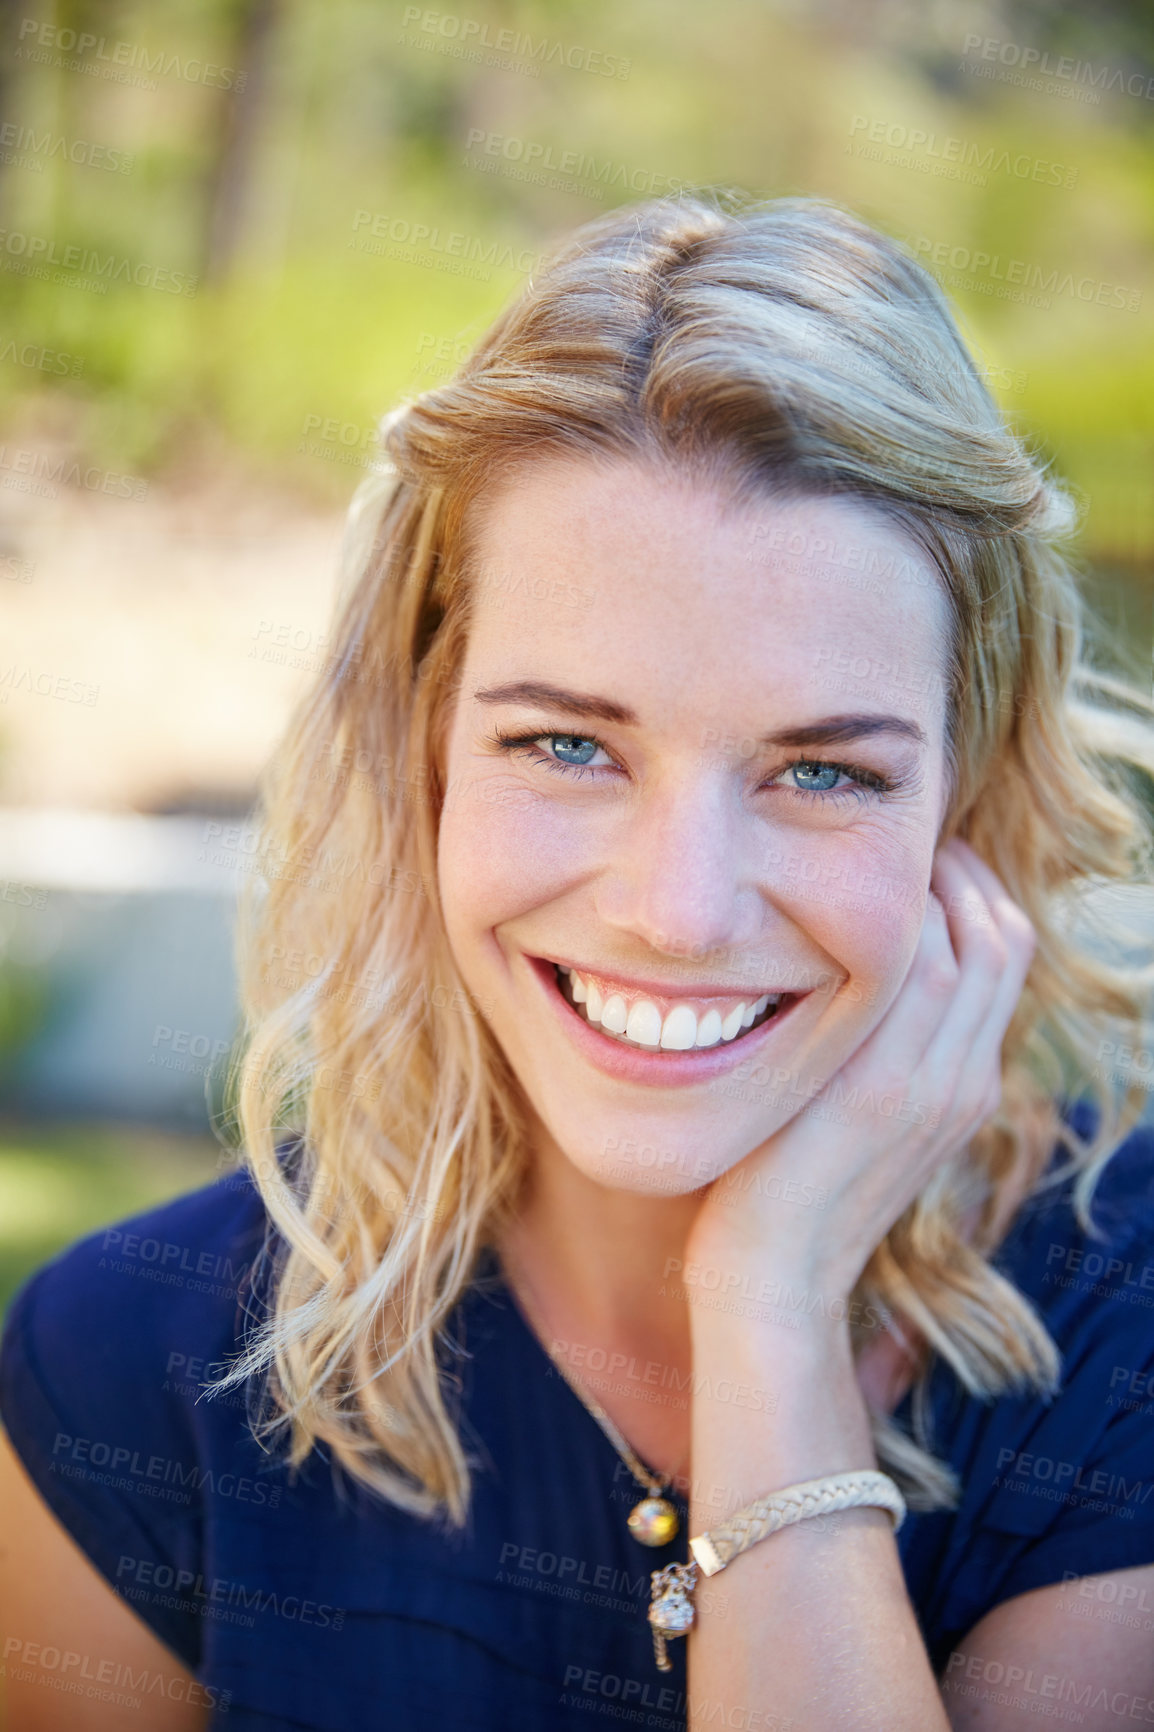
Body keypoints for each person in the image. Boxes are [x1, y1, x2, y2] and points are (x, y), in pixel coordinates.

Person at [2, 189, 1153, 1732]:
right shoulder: (125, 1369)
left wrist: (766, 1309)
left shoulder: (1124, 1323)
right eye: (566, 744)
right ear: (422, 747)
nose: (677, 911)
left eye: (823, 773)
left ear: (966, 792)